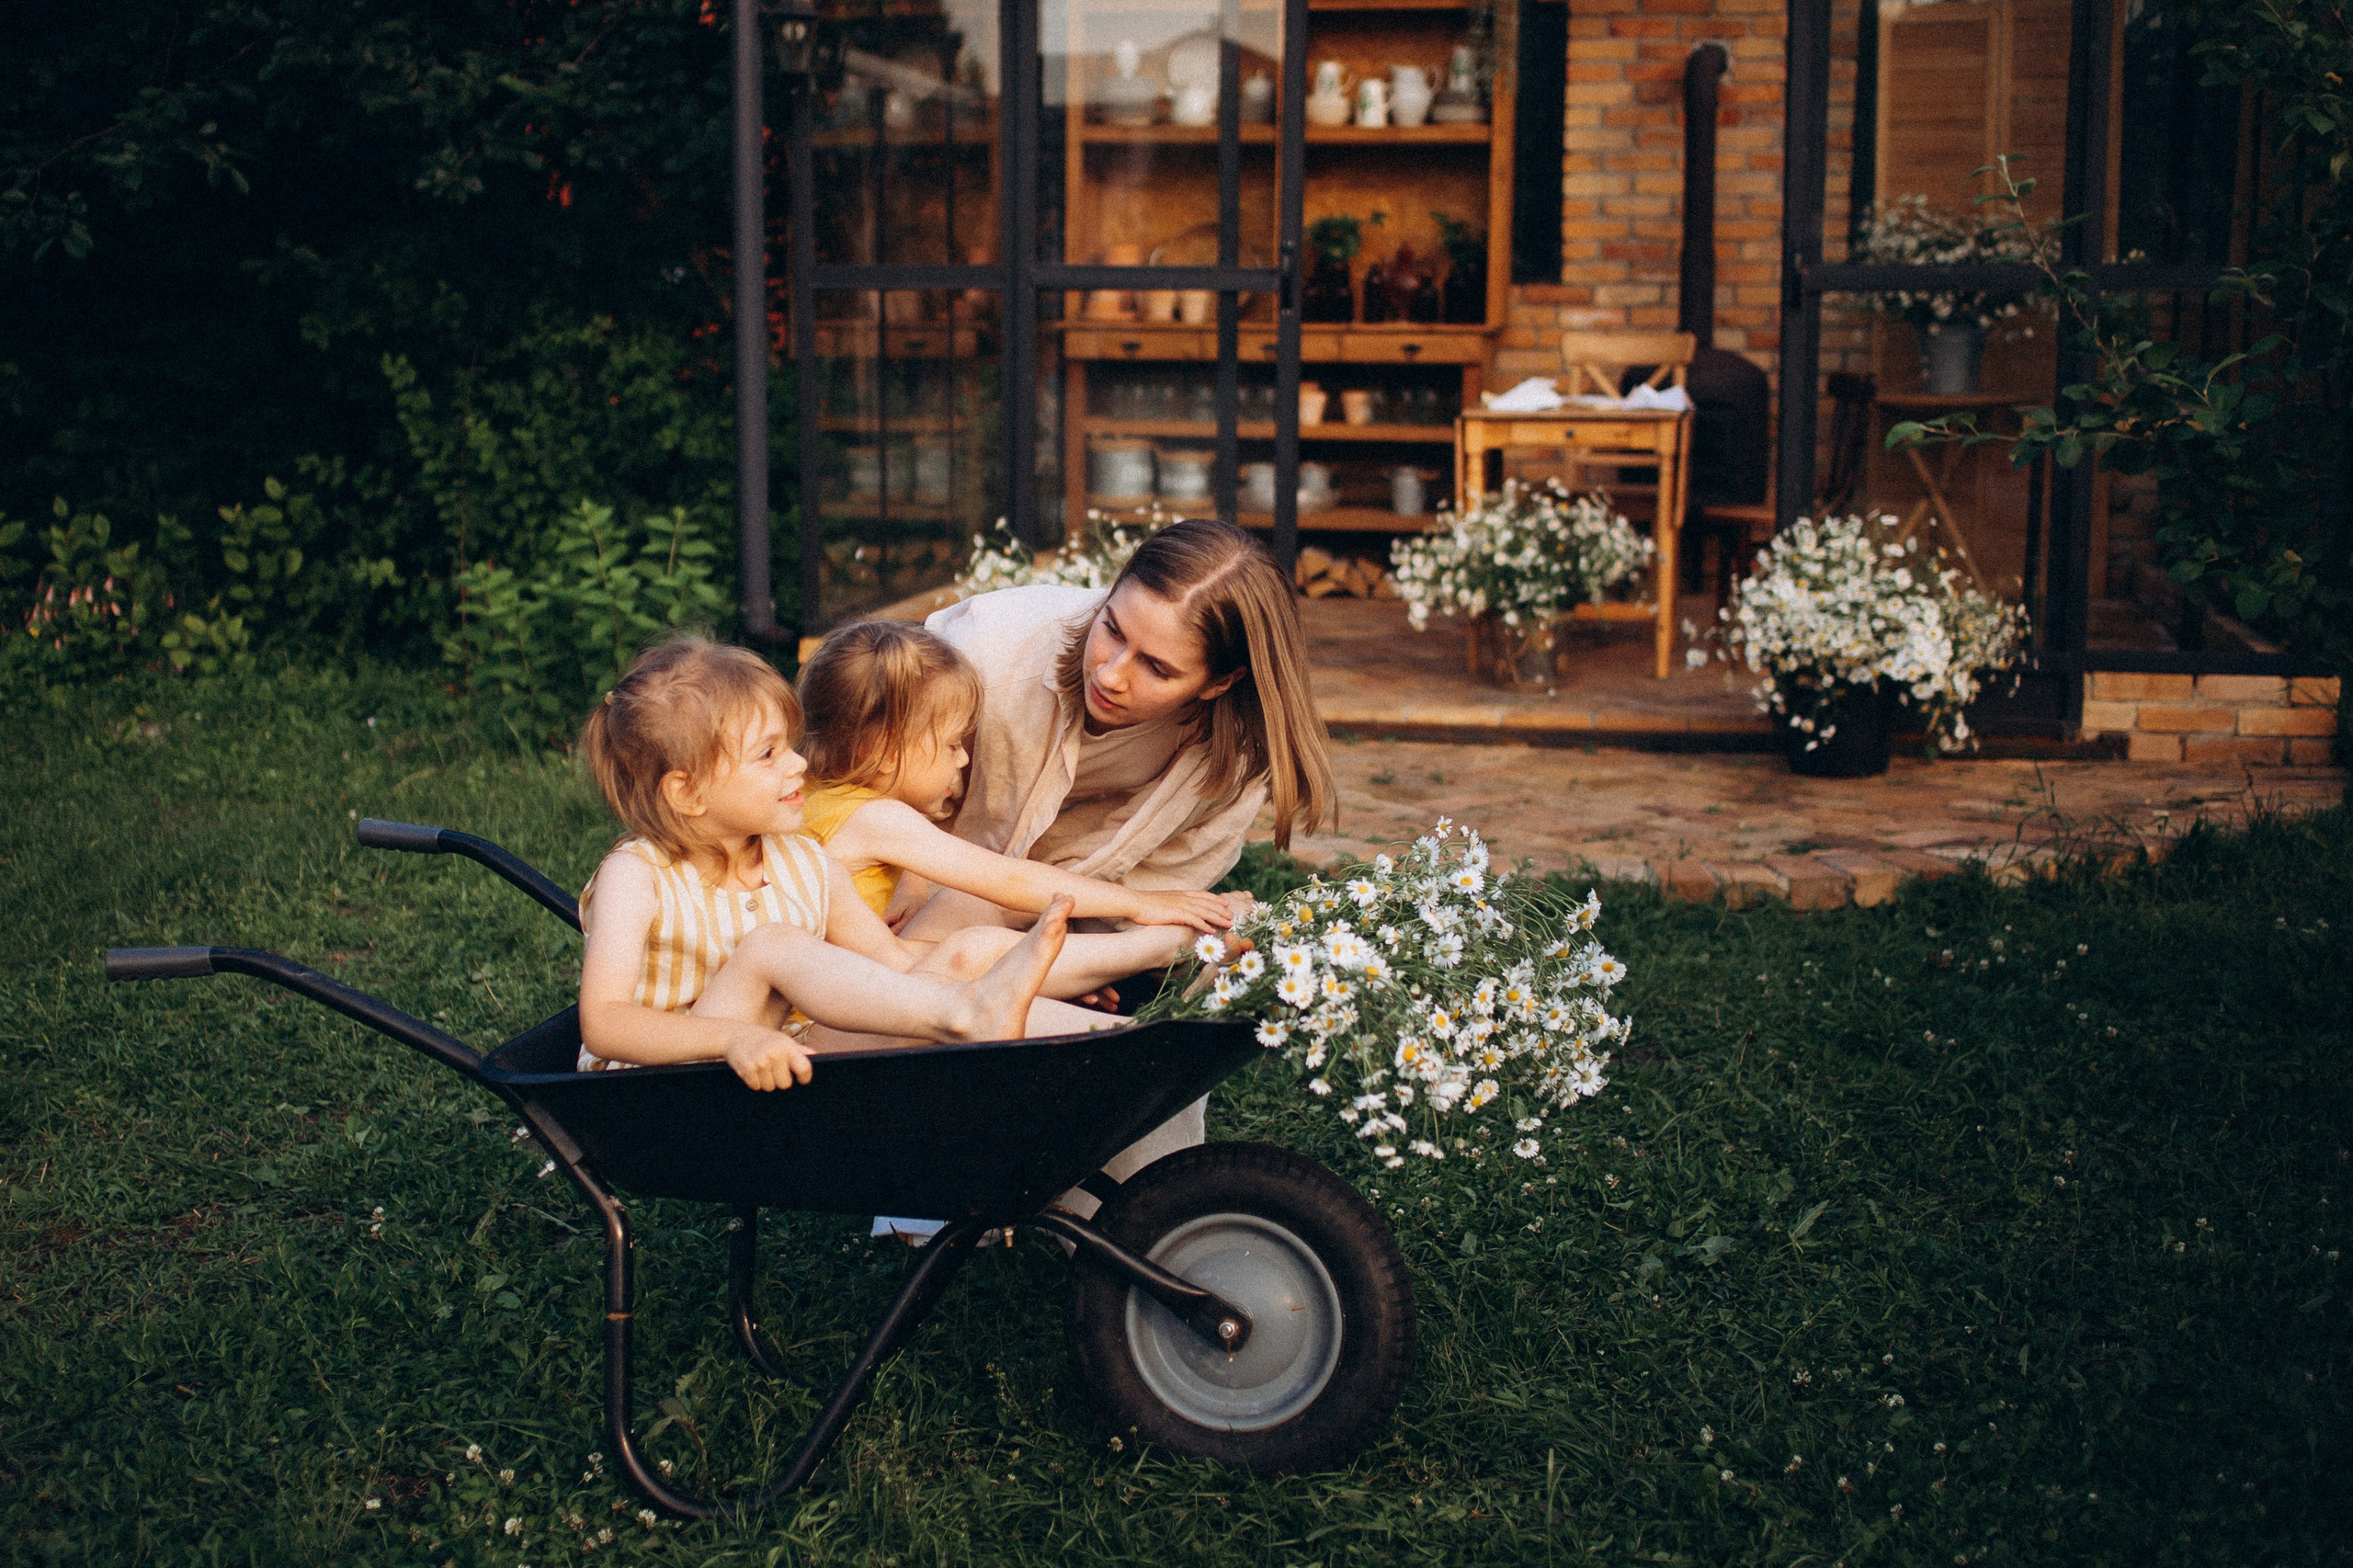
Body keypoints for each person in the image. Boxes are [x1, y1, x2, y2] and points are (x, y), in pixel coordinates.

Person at [904, 517, 1336, 1191]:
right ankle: (945, 1180)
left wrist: (1088, 942)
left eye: (1157, 668)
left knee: (1170, 1000)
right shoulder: (984, 651)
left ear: (1220, 683)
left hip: (1090, 912)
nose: (1111, 672)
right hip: (921, 898)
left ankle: (1134, 1195)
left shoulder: (1235, 757)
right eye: (1112, 629)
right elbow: (866, 799)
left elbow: (1170, 882)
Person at [572, 634, 1119, 1089]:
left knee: (921, 993)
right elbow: (604, 1023)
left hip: (777, 1054)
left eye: (790, 744)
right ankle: (966, 1013)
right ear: (687, 794)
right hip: (653, 1086)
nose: (799, 763)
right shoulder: (637, 875)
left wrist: (1025, 974)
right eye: (768, 754)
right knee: (771, 947)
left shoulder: (801, 861)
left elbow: (896, 969)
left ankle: (1120, 1040)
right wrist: (731, 1038)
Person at [796, 618, 1245, 936]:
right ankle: (1150, 951)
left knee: (964, 911)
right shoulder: (879, 821)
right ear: (884, 752)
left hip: (841, 981)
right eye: (954, 744)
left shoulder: (810, 794)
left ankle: (1066, 969)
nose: (963, 761)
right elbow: (1012, 880)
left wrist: (912, 879)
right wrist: (1142, 903)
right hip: (833, 1014)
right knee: (976, 945)